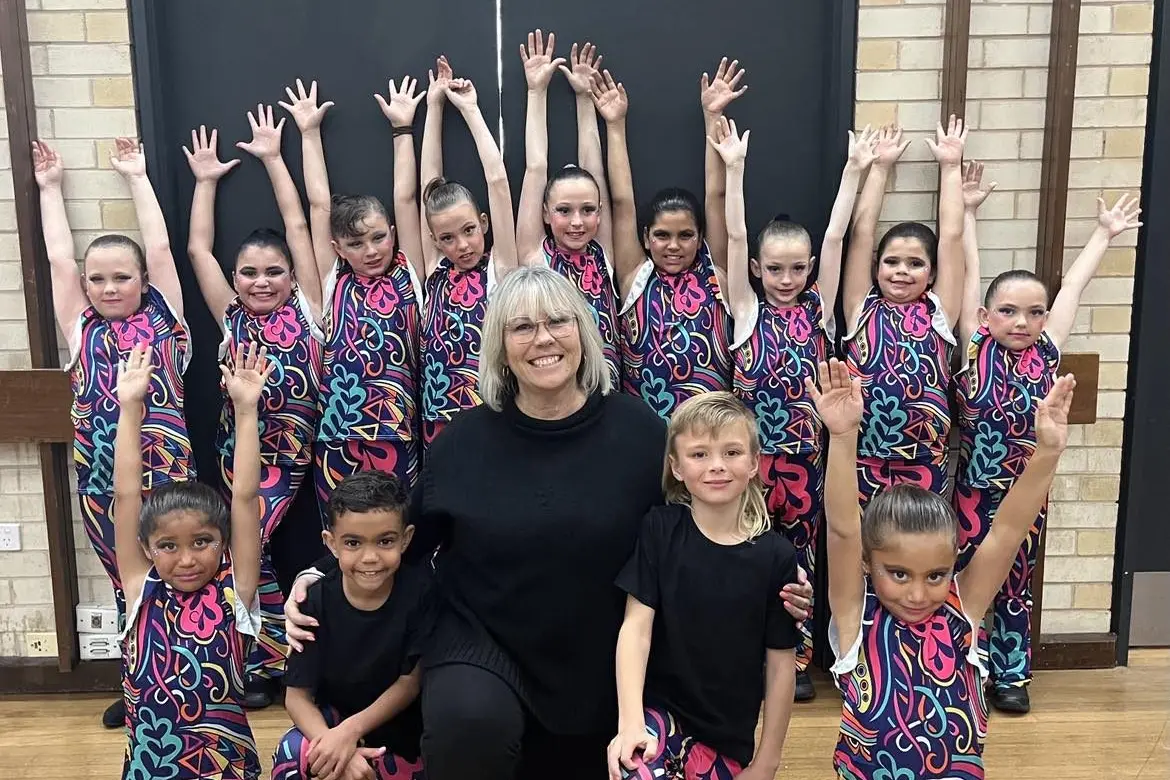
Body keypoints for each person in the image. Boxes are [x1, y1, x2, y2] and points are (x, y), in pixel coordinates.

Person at [284, 267, 812, 780]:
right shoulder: (463, 443)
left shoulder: (640, 433)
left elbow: (705, 526)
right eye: (523, 327)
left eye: (558, 322)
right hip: (482, 644)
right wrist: (318, 574)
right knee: (467, 727)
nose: (544, 339)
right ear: (501, 348)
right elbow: (403, 534)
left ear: (582, 333)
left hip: (605, 650)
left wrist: (775, 578)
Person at [809, 358, 1074, 779]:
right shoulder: (854, 617)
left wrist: (1047, 453)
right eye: (898, 574)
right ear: (868, 563)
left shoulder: (961, 608)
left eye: (935, 575)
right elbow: (842, 531)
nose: (918, 594)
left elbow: (1006, 532)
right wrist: (843, 437)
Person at [955, 163, 1141, 713]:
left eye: (1034, 312)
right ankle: (966, 665)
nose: (1022, 321)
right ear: (987, 316)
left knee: (1014, 585)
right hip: (974, 492)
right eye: (1009, 312)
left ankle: (1011, 674)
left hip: (1028, 494)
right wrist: (966, 212)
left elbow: (1075, 286)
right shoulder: (972, 344)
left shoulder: (1049, 351)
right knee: (970, 580)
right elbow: (971, 271)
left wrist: (1103, 235)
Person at [712, 116, 878, 701]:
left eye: (798, 269)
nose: (787, 279)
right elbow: (733, 238)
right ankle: (743, 653)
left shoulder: (818, 313)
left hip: (806, 465)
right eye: (775, 269)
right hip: (749, 467)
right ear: (757, 271)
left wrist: (855, 172)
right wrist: (734, 171)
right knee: (746, 556)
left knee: (801, 562)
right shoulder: (747, 311)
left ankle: (798, 656)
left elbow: (835, 239)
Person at [32, 137, 194, 728]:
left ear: (142, 281)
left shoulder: (165, 318)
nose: (107, 289)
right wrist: (51, 190)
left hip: (168, 477)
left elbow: (158, 245)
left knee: (183, 577)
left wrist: (136, 176)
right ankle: (139, 687)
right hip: (101, 482)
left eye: (120, 278)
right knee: (131, 587)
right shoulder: (80, 327)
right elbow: (57, 262)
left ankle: (188, 676)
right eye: (97, 279)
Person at [183, 109, 325, 707]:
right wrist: (206, 181)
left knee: (263, 549)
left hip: (301, 458)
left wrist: (274, 157)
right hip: (239, 460)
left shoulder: (314, 306)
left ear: (293, 278)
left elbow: (299, 223)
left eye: (273, 274)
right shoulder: (230, 317)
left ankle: (264, 660)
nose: (260, 282)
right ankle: (255, 661)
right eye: (249, 273)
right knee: (245, 547)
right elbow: (197, 248)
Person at [610, 392, 798, 780]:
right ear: (676, 467)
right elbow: (636, 628)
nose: (716, 466)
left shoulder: (777, 557)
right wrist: (629, 723)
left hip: (726, 738)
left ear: (753, 464)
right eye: (699, 454)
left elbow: (781, 666)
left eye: (731, 452)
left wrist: (768, 761)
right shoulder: (659, 530)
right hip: (659, 719)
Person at [113, 343, 268, 779]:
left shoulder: (237, 590)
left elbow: (245, 495)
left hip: (225, 768)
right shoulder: (140, 589)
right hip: (151, 768)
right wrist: (129, 410)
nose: (187, 560)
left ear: (223, 543)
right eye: (168, 546)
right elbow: (126, 495)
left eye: (202, 542)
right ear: (147, 548)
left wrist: (246, 411)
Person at [279, 78, 424, 504]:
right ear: (337, 248)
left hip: (399, 431)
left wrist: (402, 131)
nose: (371, 250)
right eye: (356, 244)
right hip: (337, 438)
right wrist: (308, 133)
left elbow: (407, 197)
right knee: (343, 540)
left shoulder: (408, 271)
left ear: (393, 235)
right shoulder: (332, 280)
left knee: (400, 533)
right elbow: (317, 206)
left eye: (379, 238)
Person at [592, 63, 742, 418]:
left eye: (685, 236)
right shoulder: (635, 275)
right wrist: (614, 124)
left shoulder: (715, 270)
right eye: (662, 235)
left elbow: (716, 196)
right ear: (646, 237)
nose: (673, 245)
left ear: (700, 237)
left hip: (708, 429)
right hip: (644, 429)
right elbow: (622, 201)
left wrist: (713, 116)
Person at [273, 471, 430, 780]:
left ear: (406, 538)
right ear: (331, 544)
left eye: (385, 541)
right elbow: (297, 696)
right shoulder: (314, 601)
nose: (370, 557)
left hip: (403, 732)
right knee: (294, 752)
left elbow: (409, 683)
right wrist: (332, 744)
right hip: (333, 721)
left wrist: (349, 733)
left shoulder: (422, 594)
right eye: (353, 543)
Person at [841, 120, 966, 505]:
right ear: (877, 268)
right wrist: (879, 169)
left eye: (915, 264)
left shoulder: (940, 311)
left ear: (931, 274)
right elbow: (861, 234)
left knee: (915, 555)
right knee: (863, 556)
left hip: (924, 460)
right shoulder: (862, 307)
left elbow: (952, 236)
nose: (901, 271)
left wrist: (950, 167)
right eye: (892, 261)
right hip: (862, 457)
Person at [415, 56, 518, 445]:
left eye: (469, 231)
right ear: (433, 239)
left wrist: (471, 110)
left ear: (485, 224)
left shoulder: (501, 268)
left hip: (492, 413)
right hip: (436, 420)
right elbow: (427, 188)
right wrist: (435, 105)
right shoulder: (434, 269)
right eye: (447, 238)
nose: (461, 245)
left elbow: (498, 180)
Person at [516, 30, 621, 386]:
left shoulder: (603, 251)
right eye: (563, 211)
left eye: (588, 210)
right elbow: (535, 166)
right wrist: (536, 92)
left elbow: (595, 170)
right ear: (545, 214)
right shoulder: (534, 253)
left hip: (605, 389)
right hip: (552, 387)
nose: (577, 222)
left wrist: (584, 97)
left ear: (600, 212)